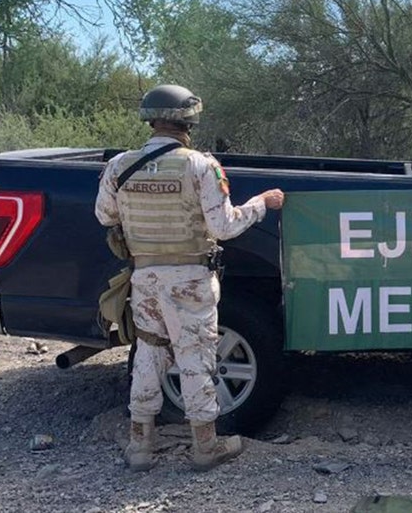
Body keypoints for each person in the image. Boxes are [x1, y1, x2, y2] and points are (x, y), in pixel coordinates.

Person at [94, 84, 284, 472]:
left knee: (149, 353)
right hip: (191, 280)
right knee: (195, 359)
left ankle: (141, 446)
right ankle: (205, 447)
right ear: (190, 120)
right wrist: (261, 205)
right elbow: (224, 225)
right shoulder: (201, 165)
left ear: (151, 119)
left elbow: (104, 215)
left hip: (145, 278)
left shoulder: (119, 167)